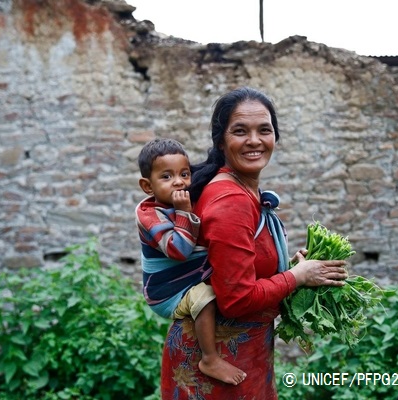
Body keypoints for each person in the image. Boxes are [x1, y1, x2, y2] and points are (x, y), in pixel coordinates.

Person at [160, 87, 349, 399]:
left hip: (241, 353)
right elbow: (236, 299)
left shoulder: (243, 191)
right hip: (217, 363)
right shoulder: (231, 200)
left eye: (264, 129)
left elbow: (237, 270)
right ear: (221, 141)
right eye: (240, 131)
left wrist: (295, 270)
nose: (254, 140)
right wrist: (297, 276)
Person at [136, 138, 247, 385]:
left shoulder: (182, 200)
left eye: (184, 174)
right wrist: (185, 213)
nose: (178, 181)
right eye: (166, 177)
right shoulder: (150, 217)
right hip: (167, 291)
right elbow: (180, 251)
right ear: (147, 185)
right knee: (205, 297)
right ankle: (209, 359)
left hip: (185, 279)